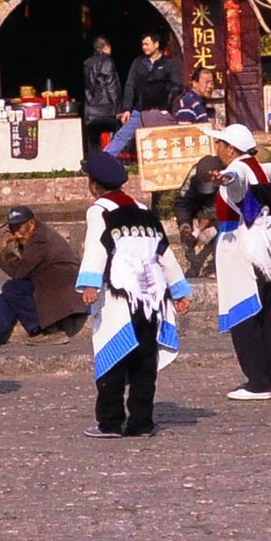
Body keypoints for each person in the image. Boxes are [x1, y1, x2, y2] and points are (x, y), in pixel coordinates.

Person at [73, 150, 191, 438]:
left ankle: (110, 421)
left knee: (112, 356)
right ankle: (141, 422)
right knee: (144, 361)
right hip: (151, 296)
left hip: (118, 297)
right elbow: (163, 253)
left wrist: (89, 283)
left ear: (94, 185)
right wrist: (179, 289)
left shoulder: (99, 210)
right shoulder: (143, 211)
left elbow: (97, 247)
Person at [208, 123, 271, 400]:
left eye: (221, 144)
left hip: (240, 247)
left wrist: (225, 179)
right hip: (262, 245)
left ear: (232, 149)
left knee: (244, 312)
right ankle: (267, 378)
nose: (217, 148)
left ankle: (258, 381)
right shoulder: (258, 166)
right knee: (262, 313)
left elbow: (236, 178)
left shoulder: (240, 168)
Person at [0, 207, 88, 345]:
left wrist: (6, 250)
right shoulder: (36, 236)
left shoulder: (40, 239)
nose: (16, 233)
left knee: (12, 288)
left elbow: (19, 272)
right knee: (9, 294)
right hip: (51, 288)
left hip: (63, 295)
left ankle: (44, 331)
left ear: (31, 223)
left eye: (19, 227)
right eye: (12, 228)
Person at [170, 152, 219, 278]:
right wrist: (185, 225)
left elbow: (215, 209)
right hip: (198, 210)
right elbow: (181, 203)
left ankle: (215, 265)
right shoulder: (193, 176)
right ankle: (194, 266)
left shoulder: (226, 174)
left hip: (220, 216)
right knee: (187, 238)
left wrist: (199, 230)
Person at [81, 36, 123, 145]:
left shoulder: (87, 63)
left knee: (94, 142)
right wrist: (118, 109)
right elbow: (111, 86)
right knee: (113, 140)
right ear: (106, 47)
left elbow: (88, 87)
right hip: (107, 109)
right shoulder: (107, 61)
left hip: (91, 109)